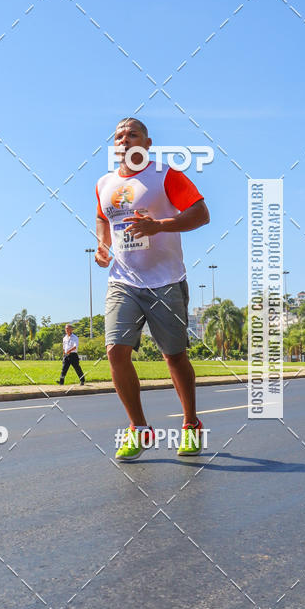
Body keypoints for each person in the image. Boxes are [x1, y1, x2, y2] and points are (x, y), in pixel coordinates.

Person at [95, 117, 210, 461]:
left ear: (147, 144)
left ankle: (190, 424)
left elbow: (201, 214)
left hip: (165, 280)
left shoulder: (165, 175)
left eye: (133, 134)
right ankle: (139, 429)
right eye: (119, 136)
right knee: (116, 351)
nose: (125, 140)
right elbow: (102, 216)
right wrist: (102, 244)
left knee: (174, 356)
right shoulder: (104, 183)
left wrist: (158, 226)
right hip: (123, 280)